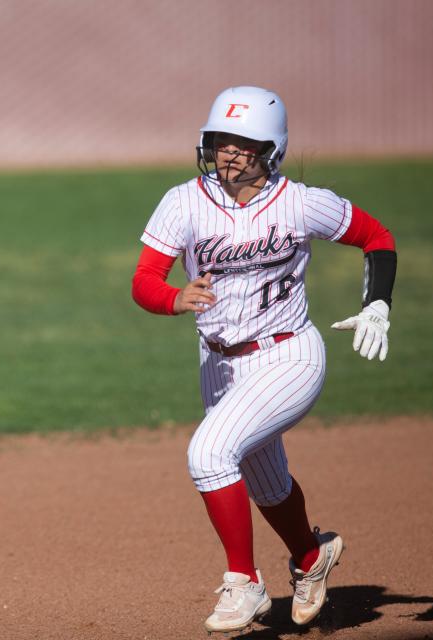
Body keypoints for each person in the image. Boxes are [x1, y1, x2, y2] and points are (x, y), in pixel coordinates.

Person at [131, 86, 396, 633]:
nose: (228, 152)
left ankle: (243, 584)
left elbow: (378, 236)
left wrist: (377, 304)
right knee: (266, 485)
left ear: (271, 148)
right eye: (220, 140)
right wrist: (173, 298)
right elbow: (143, 281)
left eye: (243, 143)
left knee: (209, 454)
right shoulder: (184, 201)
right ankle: (309, 556)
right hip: (220, 364)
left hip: (289, 355)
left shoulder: (300, 202)